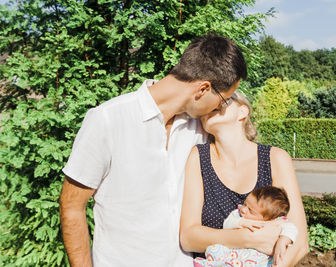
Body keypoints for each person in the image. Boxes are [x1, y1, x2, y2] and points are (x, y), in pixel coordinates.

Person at [59, 35, 247, 267]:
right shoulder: (107, 119)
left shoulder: (201, 127)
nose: (220, 107)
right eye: (222, 99)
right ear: (203, 89)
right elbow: (72, 206)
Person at [180, 92, 309, 267]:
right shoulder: (198, 156)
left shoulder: (275, 158)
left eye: (222, 99)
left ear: (243, 111)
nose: (211, 104)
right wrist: (247, 238)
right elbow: (188, 237)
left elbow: (299, 243)